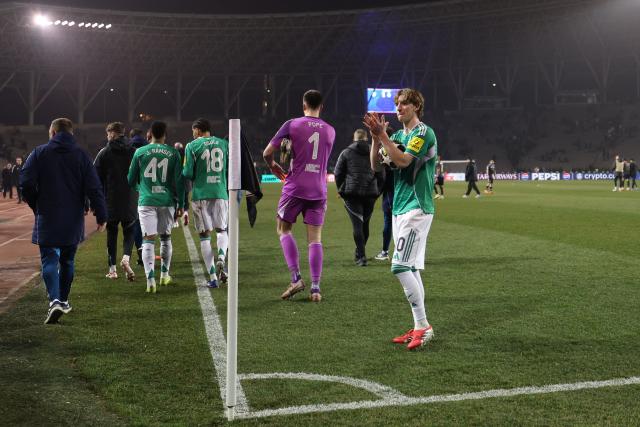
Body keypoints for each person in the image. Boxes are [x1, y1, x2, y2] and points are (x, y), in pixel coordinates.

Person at [364, 87, 437, 351]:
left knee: (399, 266)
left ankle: (423, 325)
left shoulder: (423, 133)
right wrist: (376, 138)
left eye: (405, 103)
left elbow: (404, 161)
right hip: (399, 207)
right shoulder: (395, 135)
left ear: (416, 106)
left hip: (418, 206)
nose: (399, 108)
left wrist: (383, 136)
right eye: (398, 104)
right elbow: (375, 166)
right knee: (412, 268)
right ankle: (420, 325)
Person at [20, 118, 107, 324]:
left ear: (52, 132)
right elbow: (94, 188)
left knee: (49, 259)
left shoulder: (39, 153)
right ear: (71, 133)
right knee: (67, 260)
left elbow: (25, 182)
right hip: (73, 217)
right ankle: (64, 300)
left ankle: (55, 300)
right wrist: (101, 215)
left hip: (47, 215)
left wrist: (35, 204)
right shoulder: (81, 155)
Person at [262, 89, 336, 302]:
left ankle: (296, 278)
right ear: (321, 107)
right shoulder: (331, 130)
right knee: (315, 239)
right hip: (319, 189)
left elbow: (267, 153)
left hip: (295, 186)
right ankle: (315, 288)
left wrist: (274, 165)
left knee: (283, 229)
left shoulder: (292, 124)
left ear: (304, 105)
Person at [127, 121, 185, 293]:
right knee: (166, 238)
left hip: (146, 201)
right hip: (166, 201)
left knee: (148, 240)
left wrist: (141, 189)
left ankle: (150, 279)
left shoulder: (140, 151)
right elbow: (179, 182)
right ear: (165, 135)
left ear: (150, 134)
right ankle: (164, 275)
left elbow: (130, 180)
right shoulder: (172, 152)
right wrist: (181, 204)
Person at [183, 118, 229, 288]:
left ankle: (213, 278)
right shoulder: (224, 144)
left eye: (193, 130)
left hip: (201, 194)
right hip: (220, 192)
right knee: (222, 230)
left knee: (204, 236)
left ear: (199, 130)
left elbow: (187, 173)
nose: (193, 134)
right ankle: (222, 256)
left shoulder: (192, 146)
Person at [94, 122, 138, 280]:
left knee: (111, 234)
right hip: (131, 199)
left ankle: (112, 270)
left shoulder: (104, 152)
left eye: (108, 133)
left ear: (112, 133)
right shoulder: (134, 151)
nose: (107, 136)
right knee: (130, 230)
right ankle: (126, 258)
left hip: (111, 199)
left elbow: (95, 178)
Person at [334, 129, 382, 267]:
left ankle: (361, 257)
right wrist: (377, 190)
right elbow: (381, 174)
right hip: (370, 194)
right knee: (365, 224)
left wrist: (340, 189)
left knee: (357, 225)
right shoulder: (374, 152)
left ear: (354, 139)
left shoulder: (346, 153)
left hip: (352, 194)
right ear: (366, 138)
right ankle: (360, 253)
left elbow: (338, 173)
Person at [129, 128, 148, 266]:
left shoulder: (128, 147)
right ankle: (148, 250)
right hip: (149, 188)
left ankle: (140, 248)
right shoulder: (148, 146)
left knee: (135, 222)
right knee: (148, 221)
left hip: (133, 189)